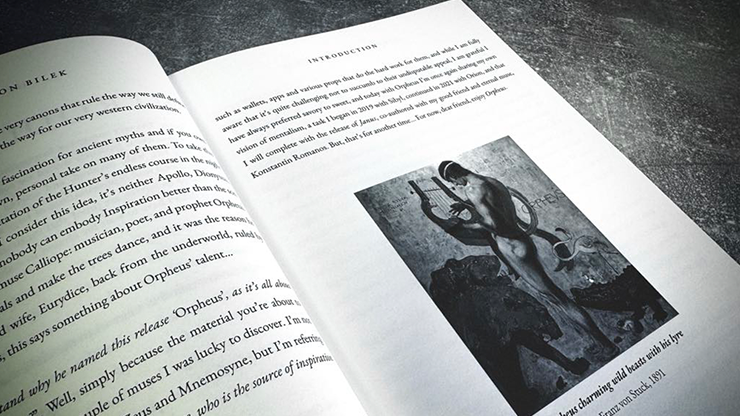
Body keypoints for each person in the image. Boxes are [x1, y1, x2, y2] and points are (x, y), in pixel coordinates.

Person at [437, 160, 617, 355]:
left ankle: (606, 345)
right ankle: (598, 341)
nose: (454, 185)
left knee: (557, 298)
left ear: (454, 176)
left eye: (452, 182)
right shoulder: (491, 182)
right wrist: (466, 204)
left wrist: (462, 225)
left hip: (514, 248)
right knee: (554, 297)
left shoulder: (473, 191)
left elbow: (495, 226)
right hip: (522, 241)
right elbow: (497, 209)